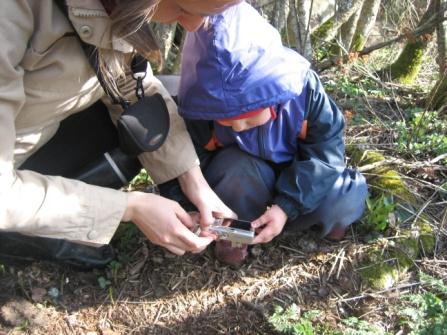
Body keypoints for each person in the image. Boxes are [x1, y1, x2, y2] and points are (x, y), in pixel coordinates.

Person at [0, 0, 242, 268]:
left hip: (35, 135)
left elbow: (130, 84)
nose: (193, 25)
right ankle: (20, 238)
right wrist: (127, 208)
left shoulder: (115, 7)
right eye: (182, 9)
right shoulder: (12, 13)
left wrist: (193, 180)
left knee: (146, 119)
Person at [175, 1, 368, 266]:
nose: (238, 127)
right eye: (227, 121)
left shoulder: (305, 94)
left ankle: (324, 222)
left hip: (299, 180)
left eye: (245, 117)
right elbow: (188, 166)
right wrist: (196, 209)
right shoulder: (203, 111)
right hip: (244, 187)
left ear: (272, 93)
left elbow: (326, 156)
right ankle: (235, 235)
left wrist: (286, 207)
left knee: (344, 194)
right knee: (236, 170)